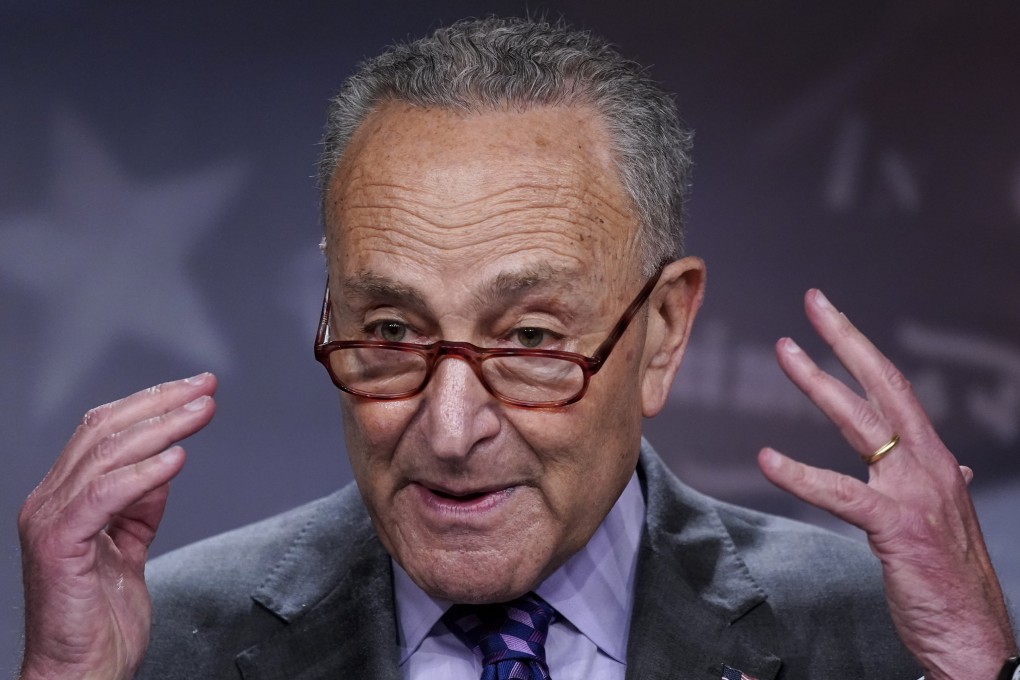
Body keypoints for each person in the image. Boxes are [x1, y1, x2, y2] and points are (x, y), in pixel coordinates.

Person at [17, 16, 1018, 680]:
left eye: (533, 337)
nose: (450, 430)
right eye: (394, 330)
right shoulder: (162, 639)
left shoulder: (876, 635)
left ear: (663, 331)